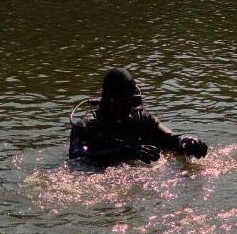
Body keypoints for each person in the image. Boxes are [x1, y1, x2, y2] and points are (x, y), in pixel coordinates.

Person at [69, 68, 208, 165]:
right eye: (126, 102)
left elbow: (171, 140)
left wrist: (187, 141)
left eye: (134, 102)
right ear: (112, 101)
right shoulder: (86, 127)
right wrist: (123, 153)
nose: (131, 108)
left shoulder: (142, 119)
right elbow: (77, 158)